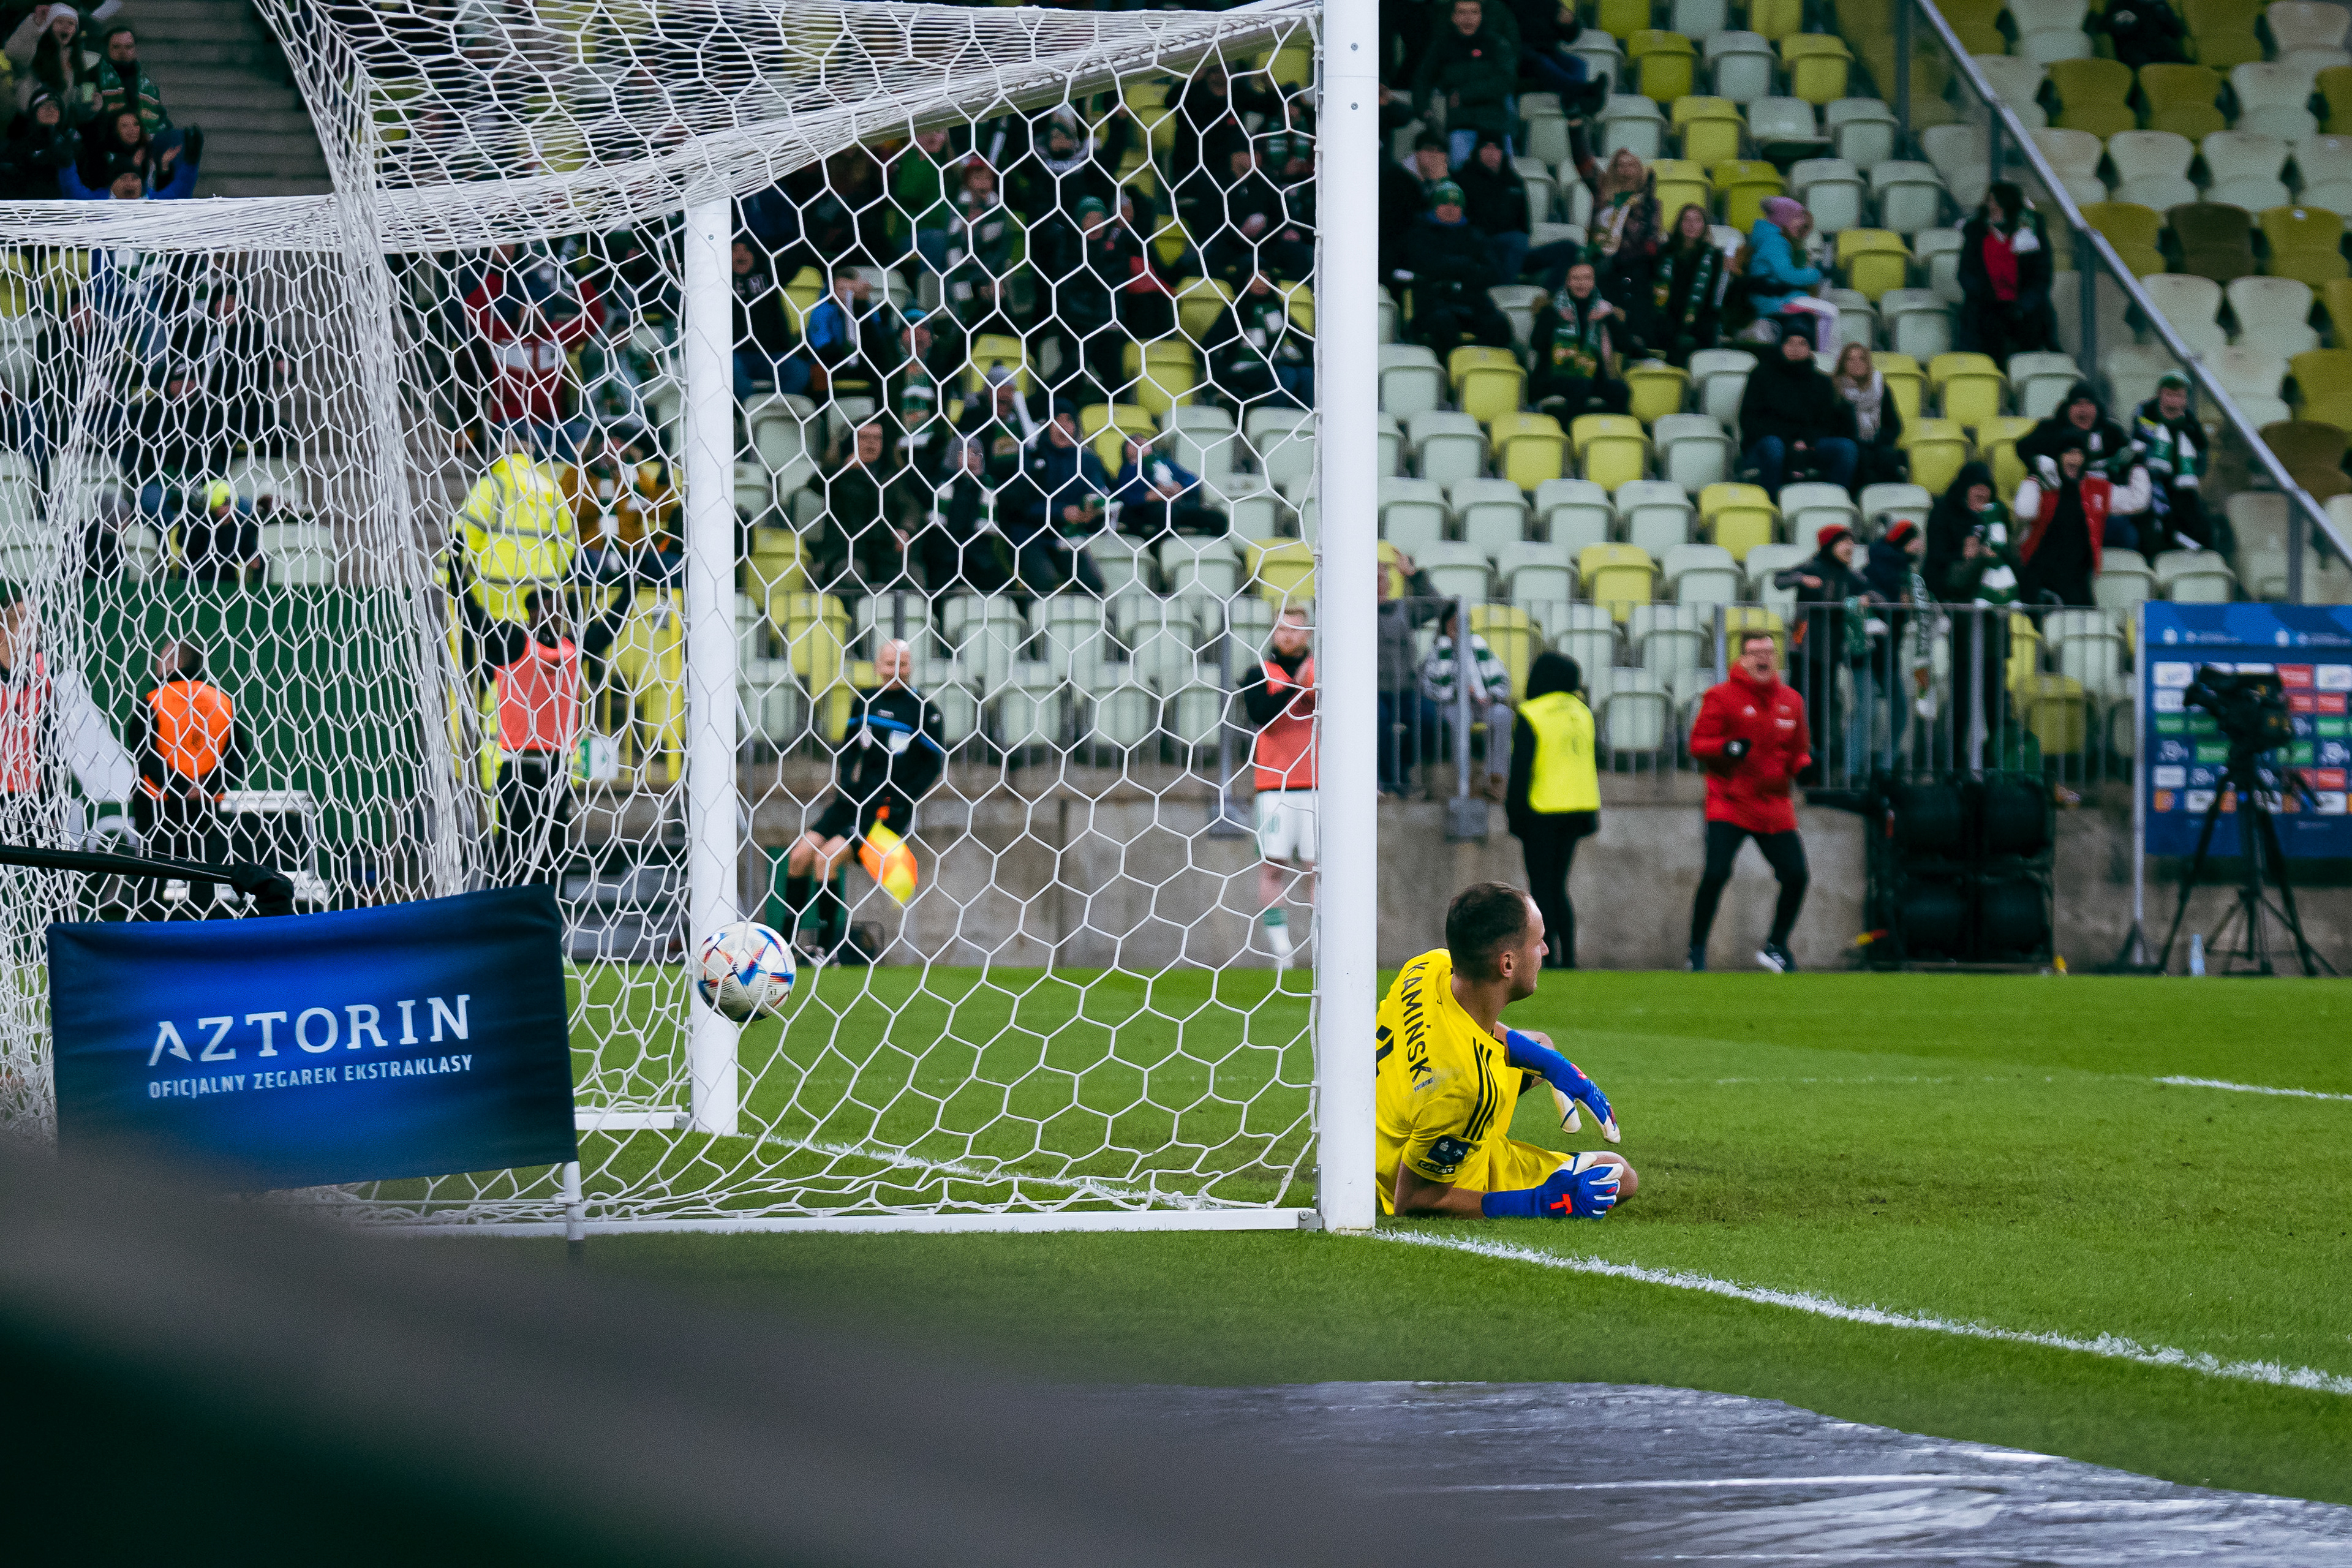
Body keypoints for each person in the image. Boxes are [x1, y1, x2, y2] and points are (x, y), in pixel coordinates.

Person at [1375, 882, 1632, 1218]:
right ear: (1507, 964)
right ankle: (1486, 1157)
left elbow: (1472, 1028)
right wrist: (1540, 1202)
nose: (1545, 951)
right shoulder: (1468, 1090)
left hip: (1383, 1123)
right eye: (1537, 941)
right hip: (1424, 1175)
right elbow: (1414, 1200)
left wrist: (1555, 1067)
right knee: (1620, 1175)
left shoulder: (1427, 966)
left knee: (1540, 1044)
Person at [777, 637, 945, 964]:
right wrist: (846, 781)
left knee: (826, 859)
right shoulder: (865, 701)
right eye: (889, 663)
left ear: (911, 667)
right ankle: (784, 943)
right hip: (851, 801)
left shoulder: (924, 710)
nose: (895, 669)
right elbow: (850, 747)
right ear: (877, 666)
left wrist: (902, 797)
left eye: (903, 663)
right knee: (798, 856)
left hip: (885, 810)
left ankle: (825, 950)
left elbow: (933, 764)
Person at [1687, 630, 1811, 973]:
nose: (1764, 658)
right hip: (1730, 801)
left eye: (1770, 652)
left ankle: (1777, 945)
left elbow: (1798, 750)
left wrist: (1804, 767)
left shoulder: (1791, 700)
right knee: (1716, 873)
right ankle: (1696, 950)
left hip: (1774, 805)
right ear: (1742, 658)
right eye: (1756, 652)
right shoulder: (1721, 696)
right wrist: (1726, 748)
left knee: (1797, 875)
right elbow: (1698, 745)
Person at [124, 639, 247, 918]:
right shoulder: (222, 701)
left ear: (173, 663)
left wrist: (179, 786)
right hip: (204, 803)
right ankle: (198, 935)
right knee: (201, 871)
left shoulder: (153, 700)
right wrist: (208, 786)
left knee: (152, 871)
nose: (156, 662)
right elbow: (239, 752)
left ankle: (146, 933)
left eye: (161, 657)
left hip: (158, 800)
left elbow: (143, 751)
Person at [1504, 652, 1596, 968]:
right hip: (1579, 808)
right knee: (1559, 884)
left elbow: (1521, 770)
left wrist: (1513, 814)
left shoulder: (1532, 712)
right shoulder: (1582, 711)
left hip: (1542, 808)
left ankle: (1550, 956)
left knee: (1542, 885)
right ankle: (1568, 955)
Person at [1239, 605, 1316, 969]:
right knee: (1273, 867)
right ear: (1274, 633)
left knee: (1320, 870)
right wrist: (1294, 690)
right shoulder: (1259, 673)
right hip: (1274, 784)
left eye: (1297, 630)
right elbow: (1260, 716)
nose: (1289, 636)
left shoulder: (1325, 671)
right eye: (1283, 629)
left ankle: (1323, 945)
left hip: (1319, 784)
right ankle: (1282, 950)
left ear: (1309, 634)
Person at [485, 589, 579, 885]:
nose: (553, 618)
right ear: (532, 615)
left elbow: (609, 629)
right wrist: (459, 577)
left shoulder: (573, 649)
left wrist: (631, 587)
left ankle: (551, 918)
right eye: (545, 611)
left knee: (553, 858)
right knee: (513, 856)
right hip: (519, 771)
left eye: (557, 612)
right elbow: (480, 623)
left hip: (555, 773)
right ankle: (504, 916)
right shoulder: (515, 645)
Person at [1925, 461, 2015, 767]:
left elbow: (2012, 561)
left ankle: (2000, 762)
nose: (1981, 493)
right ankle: (1954, 763)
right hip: (1963, 625)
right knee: (1961, 696)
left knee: (1995, 698)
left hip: (1994, 626)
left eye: (1986, 489)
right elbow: (1944, 574)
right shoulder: (1944, 516)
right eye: (1975, 488)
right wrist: (1971, 558)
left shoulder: (1998, 519)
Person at [1774, 524, 1875, 782]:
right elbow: (1780, 579)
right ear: (1830, 545)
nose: (1850, 548)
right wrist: (1801, 579)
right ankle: (1797, 761)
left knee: (1823, 709)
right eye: (1844, 543)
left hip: (1829, 654)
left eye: (1852, 543)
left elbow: (1872, 591)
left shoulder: (1849, 576)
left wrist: (1869, 599)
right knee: (1801, 706)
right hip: (1804, 652)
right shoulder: (1812, 566)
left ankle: (1815, 764)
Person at [2013, 434, 2143, 607]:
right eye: (2068, 453)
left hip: (2078, 581)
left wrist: (2137, 465)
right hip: (2038, 579)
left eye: (2079, 453)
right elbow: (2024, 512)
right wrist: (2033, 477)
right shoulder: (2042, 485)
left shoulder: (2095, 487)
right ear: (2057, 458)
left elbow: (2137, 500)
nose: (2075, 458)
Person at [1393, 181, 1514, 364]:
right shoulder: (1419, 234)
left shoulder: (1475, 236)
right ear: (1434, 206)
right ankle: (1450, 374)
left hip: (1471, 302)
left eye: (1456, 204)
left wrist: (1453, 269)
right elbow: (1427, 266)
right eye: (1444, 203)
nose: (1451, 208)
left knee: (1499, 325)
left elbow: (1492, 272)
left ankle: (1484, 371)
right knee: (1443, 322)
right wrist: (1467, 266)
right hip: (1433, 303)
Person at [1737, 317, 1857, 498]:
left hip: (1807, 444)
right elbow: (1750, 420)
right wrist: (1790, 441)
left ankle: (1834, 502)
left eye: (1802, 343)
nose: (1795, 348)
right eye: (1790, 342)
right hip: (1767, 444)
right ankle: (1771, 506)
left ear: (1810, 350)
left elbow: (1827, 422)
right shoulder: (1761, 375)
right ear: (1781, 345)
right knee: (1774, 447)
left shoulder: (1821, 382)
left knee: (1846, 448)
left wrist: (1807, 441)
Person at [1008, 402, 1109, 596]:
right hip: (1031, 536)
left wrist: (1093, 511)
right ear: (1047, 425)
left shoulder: (1088, 461)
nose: (1064, 427)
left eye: (1068, 420)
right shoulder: (1031, 457)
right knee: (1045, 580)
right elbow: (1020, 507)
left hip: (1067, 537)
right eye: (1057, 420)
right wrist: (1061, 512)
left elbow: (1101, 493)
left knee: (1093, 584)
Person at [1420, 601, 1515, 800]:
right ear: (1445, 623)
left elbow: (1501, 677)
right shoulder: (1439, 649)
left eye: (1461, 622)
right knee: (1458, 719)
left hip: (1483, 703)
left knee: (1503, 715)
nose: (1457, 626)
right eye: (1453, 622)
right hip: (1453, 704)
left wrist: (1492, 695)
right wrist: (1457, 689)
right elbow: (1431, 686)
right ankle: (1465, 778)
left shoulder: (1478, 644)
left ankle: (1496, 777)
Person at [1958, 182, 2057, 364]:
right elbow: (1965, 274)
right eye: (1990, 202)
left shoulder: (2031, 232)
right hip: (1985, 311)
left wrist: (2022, 306)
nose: (1992, 207)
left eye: (1998, 203)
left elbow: (2042, 276)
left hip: (2025, 311)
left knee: (2031, 334)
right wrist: (1986, 299)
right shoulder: (1976, 233)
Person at [1412, 0, 1517, 169]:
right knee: (1461, 178)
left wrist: (1464, 95)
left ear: (1481, 16)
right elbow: (1422, 78)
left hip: (1495, 127)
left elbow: (1506, 81)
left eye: (1474, 12)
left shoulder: (1497, 44)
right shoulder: (1442, 47)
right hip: (1461, 126)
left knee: (1500, 182)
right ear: (1453, 17)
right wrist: (1424, 111)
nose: (1468, 18)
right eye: (1462, 12)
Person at [1526, 259, 1631, 420]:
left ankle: (1611, 436)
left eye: (1587, 278)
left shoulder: (1603, 310)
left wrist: (1608, 319)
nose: (1582, 283)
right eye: (1576, 278)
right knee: (1580, 385)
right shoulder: (1553, 309)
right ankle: (1572, 436)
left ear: (1594, 282)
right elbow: (1536, 343)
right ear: (1567, 282)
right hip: (1554, 375)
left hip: (1591, 375)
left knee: (1620, 390)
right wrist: (1556, 321)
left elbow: (1624, 346)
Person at [2132, 371, 2215, 554]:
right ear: (2159, 395)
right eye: (2169, 394)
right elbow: (2135, 456)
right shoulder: (2144, 416)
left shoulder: (2192, 427)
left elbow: (2200, 467)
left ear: (2185, 400)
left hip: (2181, 491)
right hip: (2148, 488)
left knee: (2203, 531)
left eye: (2179, 396)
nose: (2173, 401)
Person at [1376, 552, 1439, 794]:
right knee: (1377, 721)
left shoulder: (1403, 609)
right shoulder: (1351, 614)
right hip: (1372, 692)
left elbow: (1436, 606)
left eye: (1382, 579)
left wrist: (1415, 577)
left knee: (1431, 721)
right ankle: (1383, 778)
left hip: (1405, 690)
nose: (1378, 584)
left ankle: (1401, 769)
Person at [731, 238, 812, 399]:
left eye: (747, 250)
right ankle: (747, 415)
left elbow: (798, 254)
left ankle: (776, 413)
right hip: (735, 356)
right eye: (735, 250)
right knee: (729, 369)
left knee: (799, 371)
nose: (742, 255)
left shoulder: (769, 276)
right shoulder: (716, 282)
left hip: (771, 356)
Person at [1742, 197, 1830, 341]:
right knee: (1828, 313)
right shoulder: (1774, 241)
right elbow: (1788, 275)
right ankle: (1825, 356)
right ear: (1783, 219)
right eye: (1797, 218)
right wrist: (1817, 274)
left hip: (1778, 298)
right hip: (1770, 303)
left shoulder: (1776, 238)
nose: (1802, 223)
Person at [1651, 203, 1724, 366]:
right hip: (1668, 317)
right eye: (1687, 220)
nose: (1692, 225)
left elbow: (1713, 296)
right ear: (1679, 224)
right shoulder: (1665, 252)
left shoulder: (1715, 256)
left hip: (1699, 318)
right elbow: (1658, 289)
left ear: (1704, 226)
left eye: (1697, 221)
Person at [0, 587, 51, 814]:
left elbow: (50, 744)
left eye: (36, 622)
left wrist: (49, 801)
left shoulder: (43, 677)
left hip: (27, 794)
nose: (31, 628)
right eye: (22, 619)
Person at [1111, 436, 1224, 539]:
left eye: (1142, 441)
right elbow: (1123, 497)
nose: (1138, 444)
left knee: (1218, 519)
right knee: (1167, 514)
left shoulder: (1165, 463)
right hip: (1148, 510)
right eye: (1133, 443)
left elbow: (1192, 480)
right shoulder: (1127, 470)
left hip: (1178, 506)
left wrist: (1180, 488)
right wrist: (1149, 496)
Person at [1455, 133, 1531, 283]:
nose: (1491, 153)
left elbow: (1525, 225)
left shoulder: (1514, 182)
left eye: (1496, 148)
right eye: (1486, 147)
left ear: (1503, 153)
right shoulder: (1463, 179)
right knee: (1514, 241)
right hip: (1476, 243)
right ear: (1477, 151)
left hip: (1510, 246)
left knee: (1566, 248)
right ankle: (1503, 290)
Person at [1830, 341, 1905, 486]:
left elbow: (1894, 425)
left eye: (1861, 359)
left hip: (1878, 443)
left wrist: (1879, 441)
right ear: (1843, 363)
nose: (1856, 363)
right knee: (1862, 457)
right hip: (1852, 444)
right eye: (1850, 359)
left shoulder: (1881, 388)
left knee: (1887, 456)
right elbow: (1832, 428)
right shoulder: (1835, 390)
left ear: (1867, 363)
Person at [2018, 380, 2133, 470]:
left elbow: (2130, 450)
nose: (2083, 409)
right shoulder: (2049, 429)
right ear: (2067, 408)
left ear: (2098, 408)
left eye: (2089, 403)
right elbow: (2023, 447)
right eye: (2077, 403)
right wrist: (2040, 462)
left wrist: (2127, 456)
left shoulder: (2111, 432)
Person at [179, 478, 258, 586]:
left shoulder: (241, 525)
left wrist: (256, 561)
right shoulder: (196, 520)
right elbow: (182, 541)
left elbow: (252, 557)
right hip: (194, 580)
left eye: (233, 504)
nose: (229, 511)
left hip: (226, 584)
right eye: (225, 504)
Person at [2099, 0, 2189, 68]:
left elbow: (2176, 32)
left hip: (2160, 47)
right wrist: (2121, 21)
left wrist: (2165, 16)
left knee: (2185, 66)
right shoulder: (2121, 2)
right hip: (2133, 48)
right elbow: (2103, 28)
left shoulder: (2160, 4)